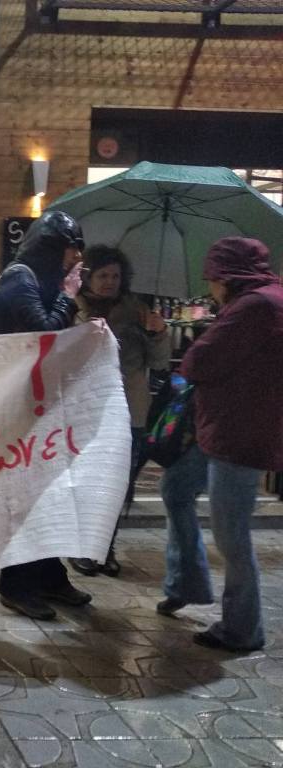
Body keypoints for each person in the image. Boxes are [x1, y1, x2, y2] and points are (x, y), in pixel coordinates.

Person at [157, 237, 283, 652]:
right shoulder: (261, 301)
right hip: (223, 428)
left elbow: (198, 361)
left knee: (231, 535)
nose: (209, 286)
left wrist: (209, 335)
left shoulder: (256, 307)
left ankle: (242, 629)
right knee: (176, 489)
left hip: (239, 435)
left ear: (227, 275)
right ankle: (186, 583)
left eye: (211, 277)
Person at [0, 209, 92, 621]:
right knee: (27, 498)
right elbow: (44, 333)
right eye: (70, 248)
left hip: (37, 405)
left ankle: (49, 576)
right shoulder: (20, 279)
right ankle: (16, 584)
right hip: (19, 408)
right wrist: (68, 295)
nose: (76, 257)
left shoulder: (36, 280)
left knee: (49, 495)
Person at [68, 246, 170, 577]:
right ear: (88, 277)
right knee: (84, 481)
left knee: (118, 485)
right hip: (85, 409)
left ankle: (105, 547)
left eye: (115, 276)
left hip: (129, 410)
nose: (109, 281)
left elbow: (159, 362)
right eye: (103, 275)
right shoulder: (70, 308)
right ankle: (81, 547)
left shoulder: (136, 310)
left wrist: (158, 333)